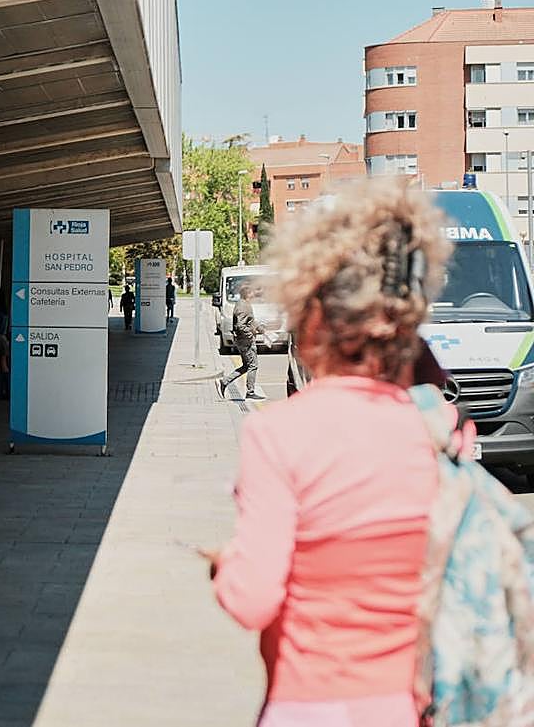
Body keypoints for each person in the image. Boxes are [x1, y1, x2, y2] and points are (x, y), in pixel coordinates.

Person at [202, 178, 464, 727]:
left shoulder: (280, 435)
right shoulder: (439, 427)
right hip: (415, 706)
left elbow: (251, 598)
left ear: (316, 320)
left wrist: (228, 567)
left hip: (310, 706)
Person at [217, 282, 265, 400]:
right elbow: (240, 325)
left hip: (243, 340)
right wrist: (250, 336)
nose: (254, 294)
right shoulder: (243, 306)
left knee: (246, 366)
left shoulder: (244, 304)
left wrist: (260, 328)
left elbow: (250, 321)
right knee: (253, 365)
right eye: (252, 292)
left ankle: (225, 382)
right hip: (245, 341)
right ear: (248, 294)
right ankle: (250, 392)